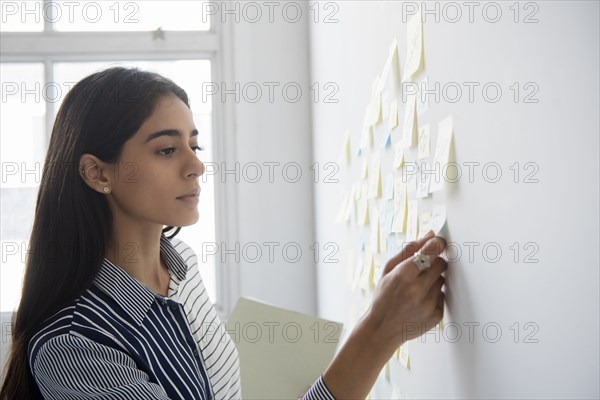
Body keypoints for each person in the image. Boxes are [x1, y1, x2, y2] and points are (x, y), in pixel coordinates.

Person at [0, 67, 447, 399]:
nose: (195, 165)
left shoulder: (181, 266)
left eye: (195, 145)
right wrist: (378, 331)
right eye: (167, 149)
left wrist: (382, 325)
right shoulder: (74, 346)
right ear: (98, 173)